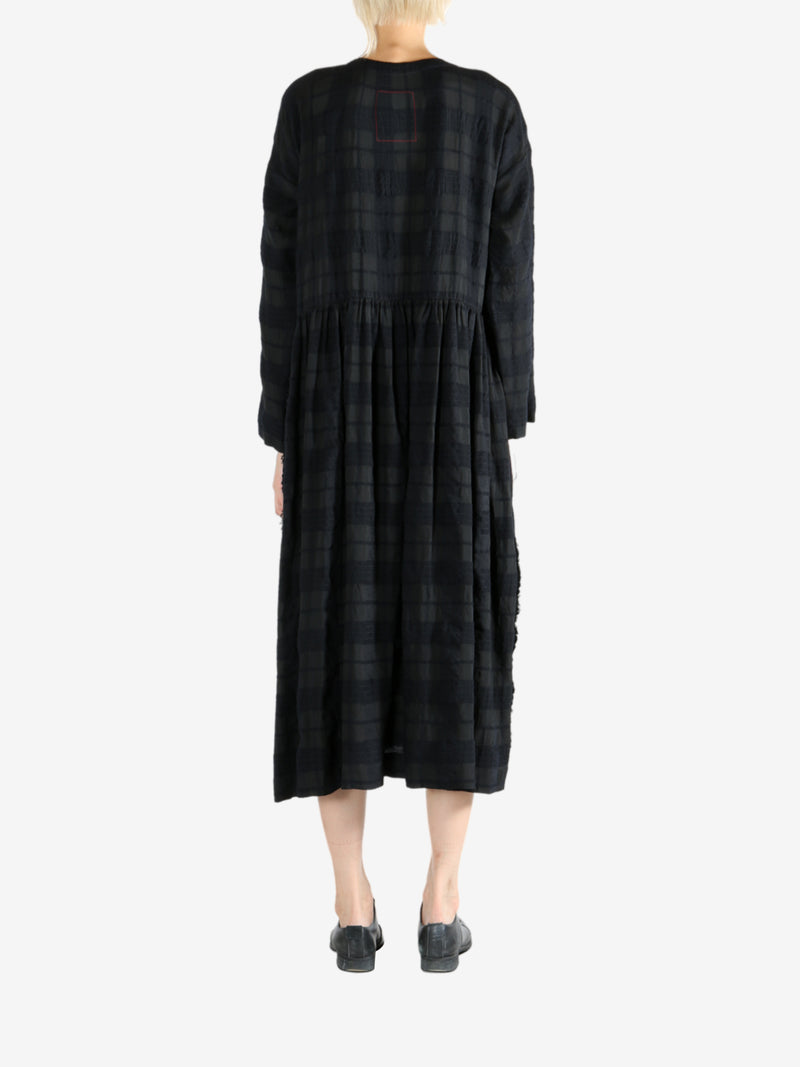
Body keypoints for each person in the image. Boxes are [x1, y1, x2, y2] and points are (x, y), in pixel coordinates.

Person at [257, 0, 535, 972]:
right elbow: (509, 282)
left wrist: (282, 430)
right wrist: (504, 413)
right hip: (453, 406)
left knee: (336, 636)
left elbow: (281, 283)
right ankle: (441, 901)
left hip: (332, 408)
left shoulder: (308, 107)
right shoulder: (490, 109)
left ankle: (349, 905)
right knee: (453, 638)